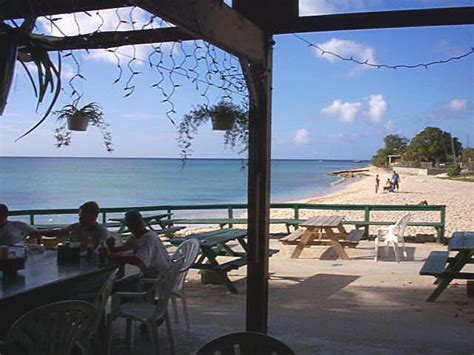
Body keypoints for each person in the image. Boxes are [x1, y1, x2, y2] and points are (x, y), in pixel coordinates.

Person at [106, 209, 170, 280]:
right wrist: (110, 246)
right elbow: (123, 248)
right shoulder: (136, 236)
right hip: (155, 274)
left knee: (119, 285)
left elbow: (138, 260)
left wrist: (114, 256)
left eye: (129, 225)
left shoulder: (148, 238)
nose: (129, 228)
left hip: (158, 277)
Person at [42, 201, 108, 251]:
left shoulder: (101, 232)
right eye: (80, 216)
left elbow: (95, 251)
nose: (80, 219)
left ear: (94, 216)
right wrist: (40, 232)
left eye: (84, 216)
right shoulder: (76, 227)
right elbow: (59, 232)